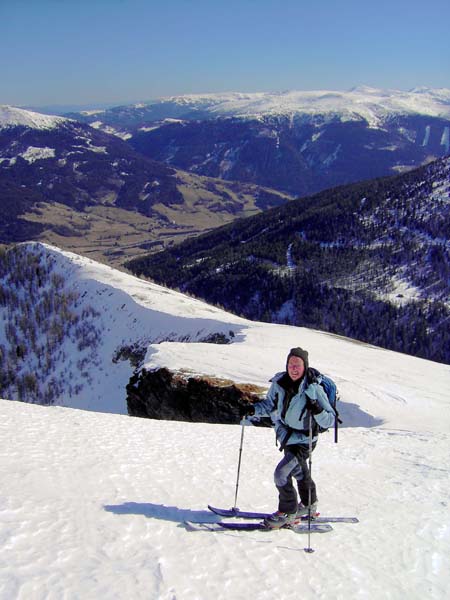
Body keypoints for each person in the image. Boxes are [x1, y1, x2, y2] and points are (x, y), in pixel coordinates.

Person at [242, 347, 336, 529]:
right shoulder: (279, 383)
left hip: (305, 440)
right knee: (298, 471)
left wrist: (316, 408)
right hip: (287, 436)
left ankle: (288, 512)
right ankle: (309, 505)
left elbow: (330, 420)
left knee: (281, 473)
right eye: (291, 364)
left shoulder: (313, 388)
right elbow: (270, 405)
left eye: (298, 365)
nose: (294, 368)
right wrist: (254, 409)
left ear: (305, 366)